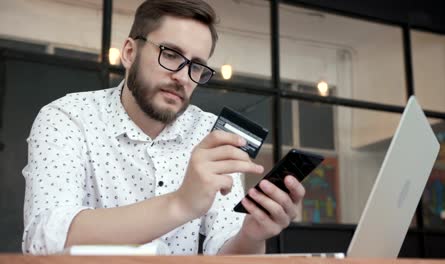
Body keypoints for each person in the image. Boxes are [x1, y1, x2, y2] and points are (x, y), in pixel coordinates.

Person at [22, 0, 305, 255]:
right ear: (130, 52)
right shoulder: (68, 117)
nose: (183, 77)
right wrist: (181, 203)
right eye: (170, 54)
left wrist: (251, 235)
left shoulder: (212, 134)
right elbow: (45, 238)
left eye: (196, 66)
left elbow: (225, 251)